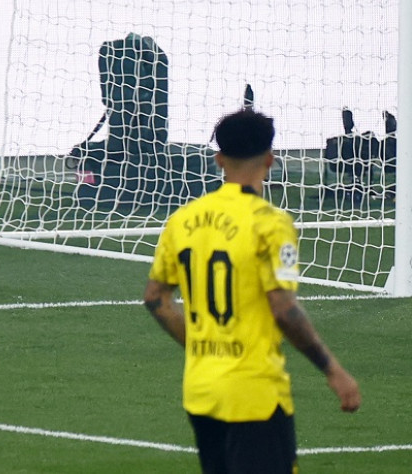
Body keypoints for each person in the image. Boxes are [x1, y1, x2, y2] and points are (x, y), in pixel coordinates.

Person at [143, 109, 361, 474]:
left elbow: (155, 299)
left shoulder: (183, 220)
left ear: (219, 159)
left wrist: (199, 343)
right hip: (254, 394)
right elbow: (284, 310)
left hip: (202, 390)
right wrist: (333, 369)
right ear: (270, 159)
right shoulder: (271, 224)